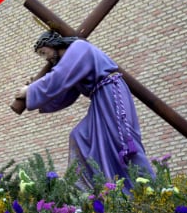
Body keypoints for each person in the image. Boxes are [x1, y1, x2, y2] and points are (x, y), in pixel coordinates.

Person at [16, 32, 154, 191]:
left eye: (43, 52)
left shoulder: (78, 48)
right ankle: (94, 189)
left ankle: (151, 189)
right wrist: (34, 93)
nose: (45, 58)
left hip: (111, 93)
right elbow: (65, 95)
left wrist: (31, 90)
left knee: (120, 140)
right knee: (80, 135)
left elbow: (59, 76)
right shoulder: (72, 65)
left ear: (53, 44)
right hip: (99, 100)